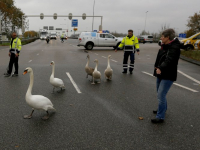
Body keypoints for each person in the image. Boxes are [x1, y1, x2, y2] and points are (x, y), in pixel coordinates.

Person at [151, 29, 181, 123]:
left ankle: (160, 116)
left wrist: (161, 67)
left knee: (161, 94)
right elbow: (160, 57)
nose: (161, 38)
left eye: (162, 36)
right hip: (160, 72)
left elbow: (169, 60)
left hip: (168, 74)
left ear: (168, 37)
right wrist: (156, 66)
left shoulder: (174, 47)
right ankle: (163, 109)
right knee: (160, 93)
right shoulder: (164, 45)